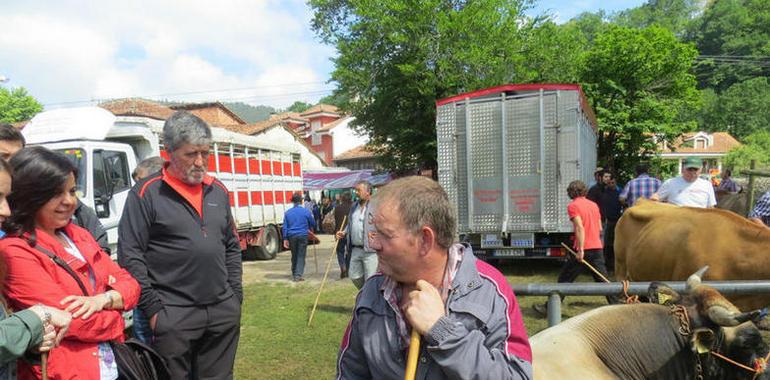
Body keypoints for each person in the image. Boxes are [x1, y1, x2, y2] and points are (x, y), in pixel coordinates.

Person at [337, 176, 532, 379]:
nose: (374, 245)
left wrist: (442, 332)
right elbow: (350, 373)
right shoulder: (372, 291)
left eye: (385, 235)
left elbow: (517, 376)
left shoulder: (489, 291)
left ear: (425, 240)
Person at [118, 111, 242, 379]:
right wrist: (154, 312)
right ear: (169, 152)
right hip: (172, 314)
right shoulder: (146, 194)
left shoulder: (217, 190)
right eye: (190, 154)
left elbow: (231, 245)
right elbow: (130, 256)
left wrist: (235, 296)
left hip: (222, 311)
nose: (200, 162)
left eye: (205, 153)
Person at [0, 146, 140, 380]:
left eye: (72, 191)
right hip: (67, 371)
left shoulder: (78, 235)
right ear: (29, 195)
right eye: (56, 193)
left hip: (112, 363)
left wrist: (102, 299)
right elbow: (71, 322)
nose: (69, 201)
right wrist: (117, 314)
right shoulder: (15, 250)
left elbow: (131, 285)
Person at [0, 154, 73, 380]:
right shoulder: (14, 249)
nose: (6, 211)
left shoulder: (79, 234)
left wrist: (30, 342)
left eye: (6, 198)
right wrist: (37, 317)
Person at [533, 180, 616, 317]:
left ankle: (548, 309)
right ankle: (616, 305)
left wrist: (581, 250)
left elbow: (579, 227)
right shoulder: (594, 205)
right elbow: (600, 228)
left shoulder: (573, 206)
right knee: (603, 280)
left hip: (584, 249)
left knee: (564, 279)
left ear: (572, 192)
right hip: (596, 247)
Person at [123, 156, 165, 345]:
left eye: (140, 181)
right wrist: (149, 304)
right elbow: (130, 254)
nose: (135, 188)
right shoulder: (137, 204)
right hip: (148, 300)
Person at [336, 181, 377, 289]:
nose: (356, 192)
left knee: (371, 279)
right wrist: (344, 232)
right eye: (355, 190)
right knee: (354, 276)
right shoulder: (354, 206)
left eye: (359, 190)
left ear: (368, 192)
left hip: (371, 250)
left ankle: (369, 301)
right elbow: (350, 223)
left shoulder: (376, 206)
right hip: (355, 249)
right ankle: (366, 292)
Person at [651, 157, 716, 208]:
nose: (692, 172)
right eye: (689, 169)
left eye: (695, 169)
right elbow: (656, 198)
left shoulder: (707, 185)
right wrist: (655, 198)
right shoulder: (670, 183)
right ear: (683, 168)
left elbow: (710, 207)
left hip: (699, 221)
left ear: (701, 169)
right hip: (677, 221)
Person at [282, 193, 316, 282]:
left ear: (292, 201)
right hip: (302, 235)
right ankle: (297, 275)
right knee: (301, 255)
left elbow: (285, 227)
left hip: (291, 236)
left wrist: (285, 238)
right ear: (301, 201)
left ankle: (294, 272)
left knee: (294, 255)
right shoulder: (306, 212)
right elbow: (313, 223)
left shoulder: (287, 213)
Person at [333, 191, 353, 278]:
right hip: (350, 233)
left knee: (340, 251)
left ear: (342, 199)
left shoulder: (337, 208)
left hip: (339, 232)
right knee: (349, 251)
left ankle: (343, 267)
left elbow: (334, 220)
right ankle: (347, 268)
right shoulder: (353, 208)